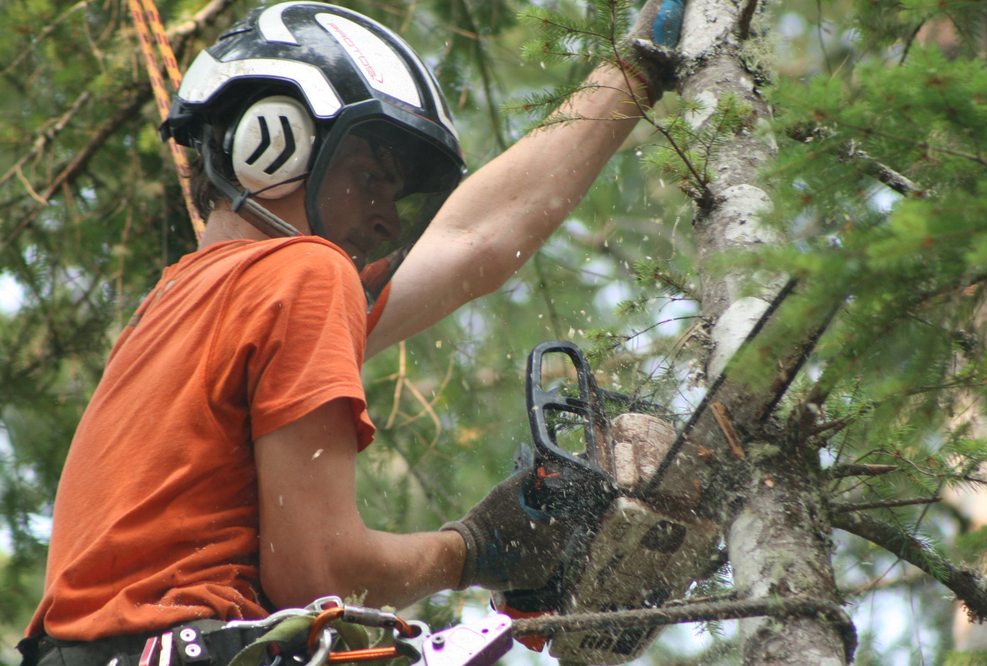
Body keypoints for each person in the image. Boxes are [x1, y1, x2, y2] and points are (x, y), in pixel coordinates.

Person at [18, 1, 686, 664]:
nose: (387, 223)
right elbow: (316, 573)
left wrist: (636, 70)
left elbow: (476, 239)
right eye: (370, 179)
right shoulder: (304, 273)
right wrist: (475, 548)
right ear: (270, 141)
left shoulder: (189, 305)